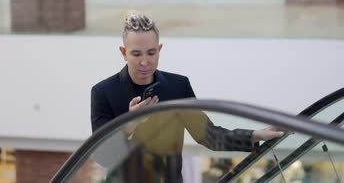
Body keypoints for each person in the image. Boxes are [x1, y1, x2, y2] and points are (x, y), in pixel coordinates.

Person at [90, 11, 283, 181]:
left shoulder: (178, 87)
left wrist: (255, 135)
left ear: (159, 50)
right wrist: (130, 123)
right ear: (124, 53)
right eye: (136, 54)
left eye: (151, 52)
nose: (144, 61)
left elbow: (209, 136)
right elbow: (102, 155)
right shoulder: (103, 91)